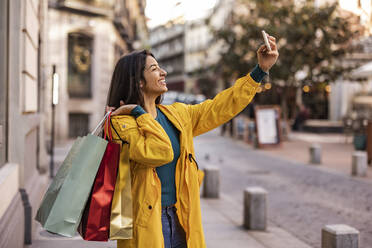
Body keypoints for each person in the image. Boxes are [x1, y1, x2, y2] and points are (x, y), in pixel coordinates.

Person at [106, 35, 278, 248]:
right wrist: (139, 112)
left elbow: (221, 107)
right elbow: (159, 152)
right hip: (146, 223)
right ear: (138, 81)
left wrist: (259, 71)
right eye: (154, 69)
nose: (163, 72)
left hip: (182, 216)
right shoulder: (122, 123)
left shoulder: (176, 114)